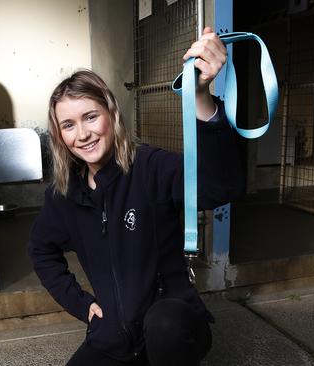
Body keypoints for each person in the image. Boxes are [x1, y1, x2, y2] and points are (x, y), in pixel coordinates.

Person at [28, 27, 243, 366]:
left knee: (166, 326)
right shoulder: (65, 194)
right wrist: (82, 305)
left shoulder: (150, 167)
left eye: (90, 117)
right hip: (114, 333)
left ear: (111, 116)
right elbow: (41, 251)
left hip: (171, 324)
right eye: (68, 125)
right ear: (59, 135)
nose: (82, 134)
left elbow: (222, 187)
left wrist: (200, 98)